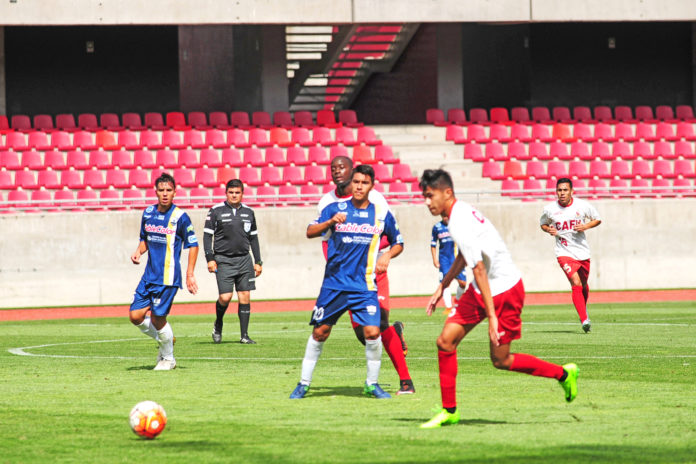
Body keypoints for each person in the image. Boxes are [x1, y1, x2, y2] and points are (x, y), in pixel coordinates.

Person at [418, 169, 578, 429]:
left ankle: (563, 373)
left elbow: (478, 268)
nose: (427, 202)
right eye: (424, 196)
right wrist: (442, 286)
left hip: (504, 291)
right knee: (445, 342)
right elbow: (467, 257)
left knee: (501, 360)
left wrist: (491, 317)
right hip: (481, 290)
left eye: (429, 195)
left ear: (447, 193)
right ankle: (449, 411)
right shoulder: (457, 213)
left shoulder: (458, 221)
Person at [290, 164, 404, 399]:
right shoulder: (334, 208)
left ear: (372, 186)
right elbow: (310, 231)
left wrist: (387, 255)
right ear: (351, 184)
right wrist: (330, 222)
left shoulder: (381, 213)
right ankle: (303, 383)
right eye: (356, 182)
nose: (359, 186)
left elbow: (398, 242)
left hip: (364, 286)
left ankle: (372, 384)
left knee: (372, 332)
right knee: (320, 332)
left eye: (365, 182)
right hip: (334, 285)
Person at [316, 155, 415, 395]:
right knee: (364, 334)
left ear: (353, 171)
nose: (337, 171)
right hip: (346, 277)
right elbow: (326, 241)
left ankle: (406, 381)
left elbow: (392, 235)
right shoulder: (326, 202)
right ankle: (395, 333)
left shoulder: (376, 200)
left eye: (342, 167)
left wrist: (385, 256)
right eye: (333, 168)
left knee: (378, 324)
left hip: (372, 272)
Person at [129, 172, 199, 371]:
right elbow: (145, 240)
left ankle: (168, 358)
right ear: (156, 192)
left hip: (167, 277)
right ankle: (166, 337)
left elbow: (193, 245)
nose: (165, 194)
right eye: (161, 190)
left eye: (169, 190)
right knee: (135, 316)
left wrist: (190, 273)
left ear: (175, 192)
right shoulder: (148, 213)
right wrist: (138, 252)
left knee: (159, 318)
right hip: (148, 275)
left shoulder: (180, 217)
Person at [204, 179, 263, 344]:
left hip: (244, 259)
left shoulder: (249, 212)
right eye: (231, 192)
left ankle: (244, 336)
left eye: (237, 193)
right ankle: (218, 323)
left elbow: (254, 238)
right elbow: (207, 236)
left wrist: (258, 261)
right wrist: (210, 259)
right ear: (226, 193)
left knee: (245, 296)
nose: (234, 195)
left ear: (242, 194)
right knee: (225, 297)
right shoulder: (216, 211)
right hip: (223, 260)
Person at [540, 177, 601, 333]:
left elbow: (597, 219)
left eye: (565, 190)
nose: (562, 193)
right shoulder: (549, 209)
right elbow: (543, 224)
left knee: (583, 284)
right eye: (559, 190)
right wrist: (549, 230)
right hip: (563, 252)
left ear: (572, 191)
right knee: (575, 282)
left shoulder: (582, 205)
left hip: (582, 252)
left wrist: (585, 226)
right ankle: (584, 320)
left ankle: (583, 310)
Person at [431, 216, 467, 315]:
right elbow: (433, 244)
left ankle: (457, 303)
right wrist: (435, 259)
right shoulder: (437, 227)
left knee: (463, 283)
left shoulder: (457, 226)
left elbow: (464, 242)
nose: (445, 217)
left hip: (456, 258)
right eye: (443, 216)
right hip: (444, 260)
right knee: (445, 282)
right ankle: (448, 307)